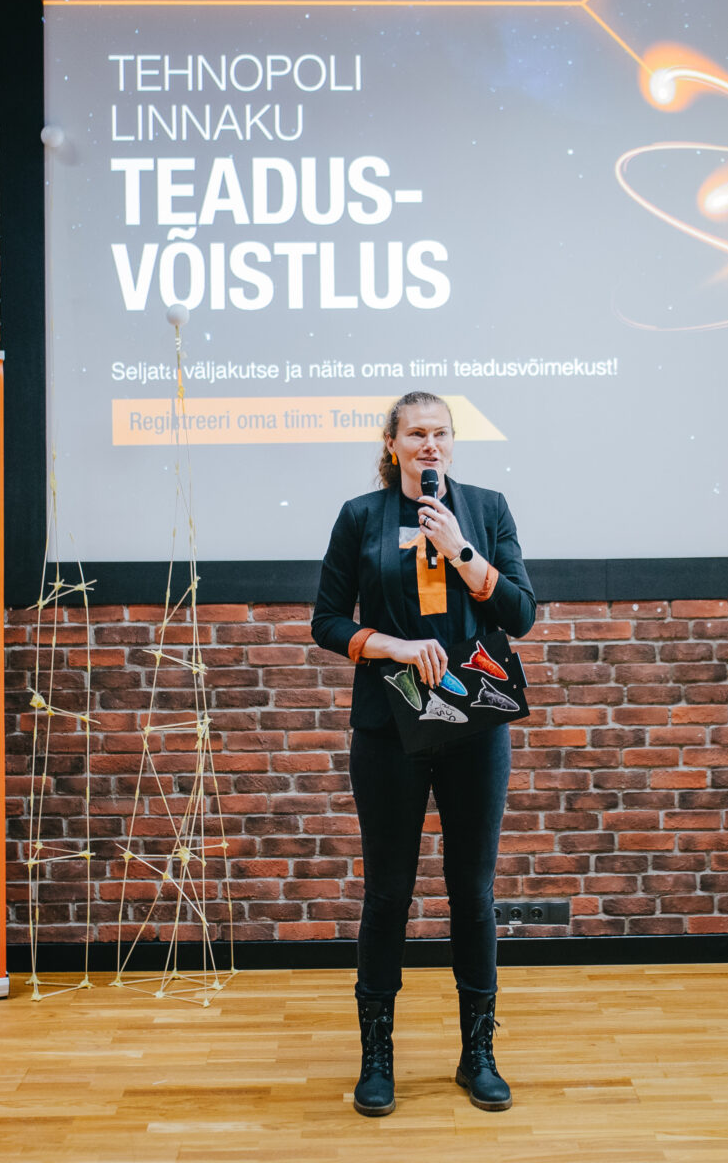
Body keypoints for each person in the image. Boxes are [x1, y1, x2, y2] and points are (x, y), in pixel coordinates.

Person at [311, 391, 536, 1116]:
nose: (430, 444)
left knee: (473, 893)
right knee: (388, 894)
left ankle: (479, 1055)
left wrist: (462, 551)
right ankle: (376, 1059)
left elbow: (521, 615)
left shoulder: (487, 510)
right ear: (393, 444)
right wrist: (394, 646)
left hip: (474, 725)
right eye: (416, 433)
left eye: (440, 432)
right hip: (389, 725)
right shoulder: (360, 517)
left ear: (452, 442)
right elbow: (326, 620)